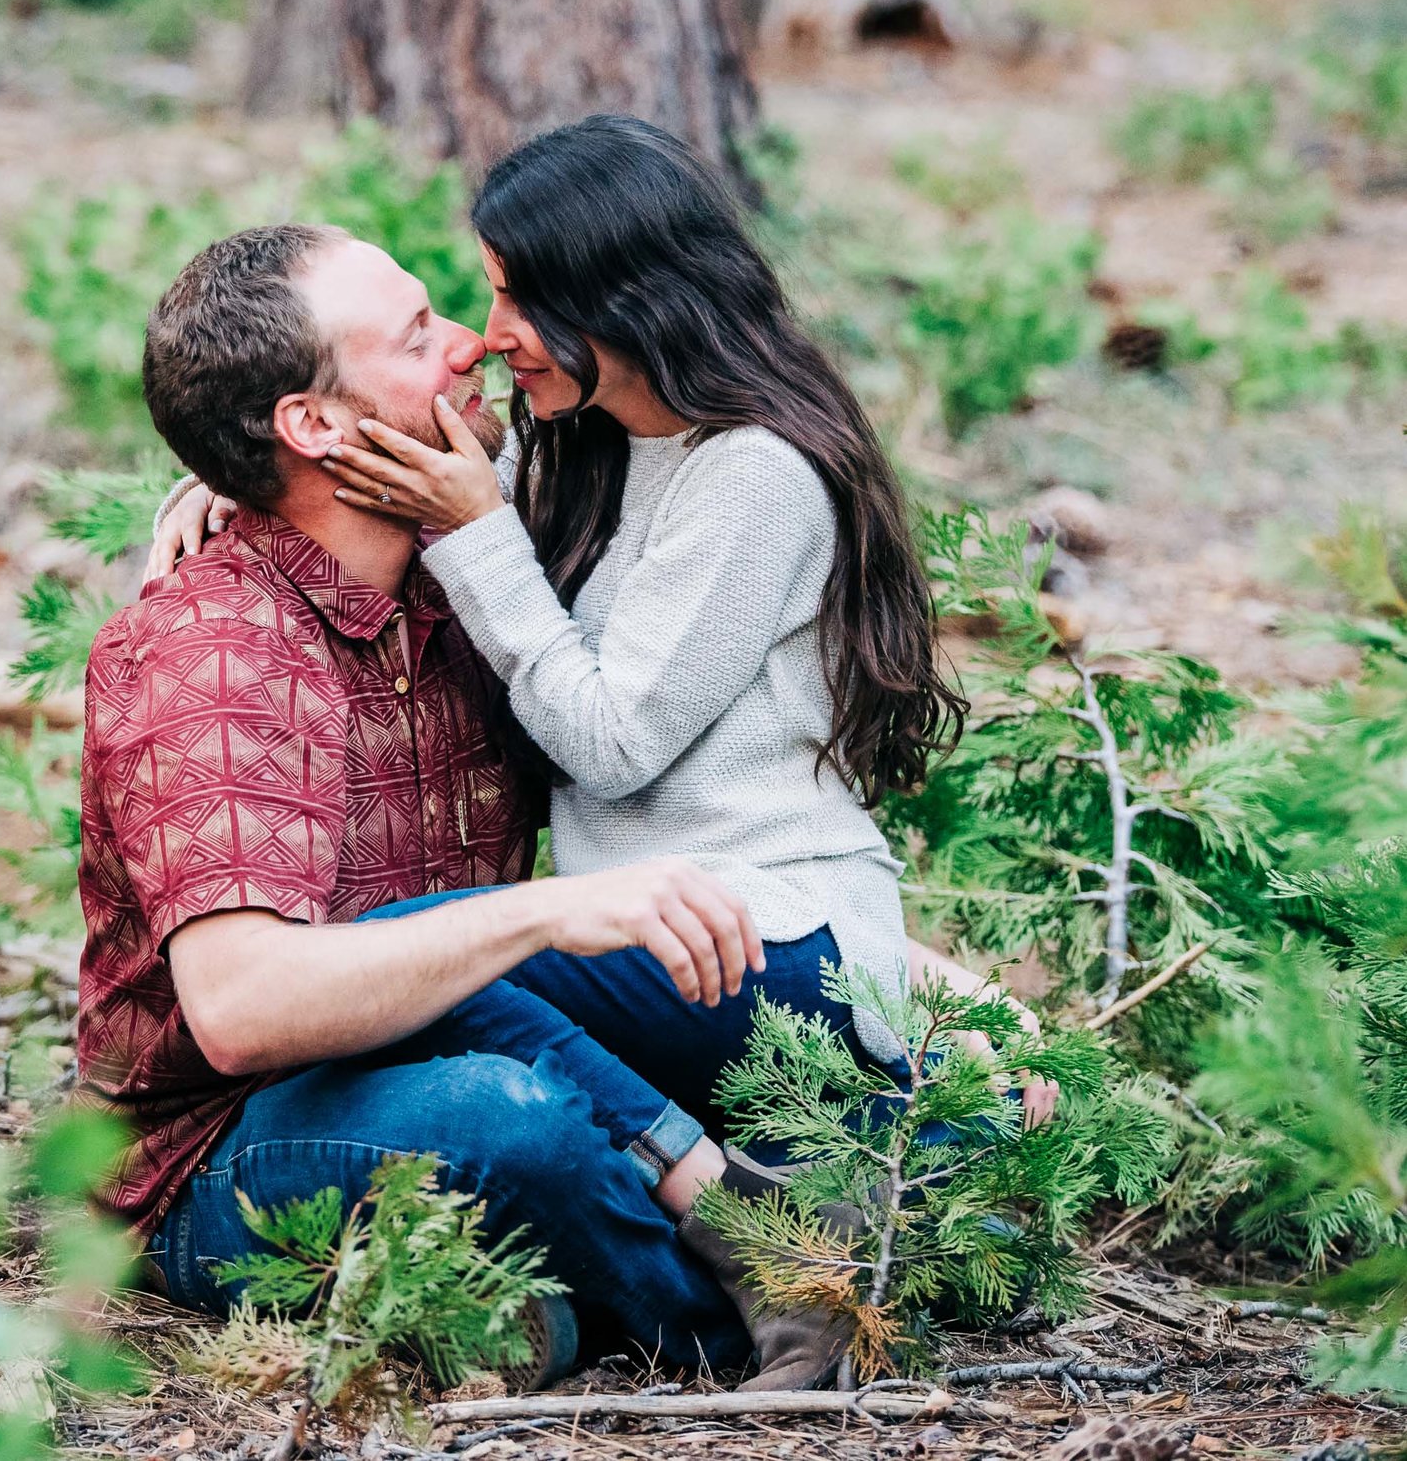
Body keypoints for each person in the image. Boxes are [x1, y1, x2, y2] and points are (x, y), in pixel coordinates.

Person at [148, 117, 1051, 1217]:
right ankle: (900, 1174)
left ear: (626, 298)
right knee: (458, 986)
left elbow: (613, 744)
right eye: (483, 299)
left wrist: (475, 532)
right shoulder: (580, 438)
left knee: (426, 960)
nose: (491, 338)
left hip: (759, 935)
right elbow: (414, 461)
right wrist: (236, 476)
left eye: (521, 301)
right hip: (670, 949)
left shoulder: (754, 476)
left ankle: (725, 1200)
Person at [78, 220, 852, 1390]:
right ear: (318, 425)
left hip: (515, 1035)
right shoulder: (213, 649)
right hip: (235, 1140)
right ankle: (762, 1285)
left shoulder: (481, 599)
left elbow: (724, 826)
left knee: (852, 1073)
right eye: (415, 334)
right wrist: (543, 912)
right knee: (506, 1117)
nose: (472, 347)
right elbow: (239, 1010)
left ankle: (553, 1302)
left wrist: (919, 985)